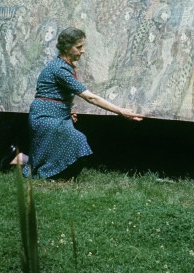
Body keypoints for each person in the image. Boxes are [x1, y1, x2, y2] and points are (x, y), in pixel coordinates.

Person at [19, 27, 144, 179]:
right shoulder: (59, 69)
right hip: (45, 117)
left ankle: (27, 163)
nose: (83, 51)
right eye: (79, 47)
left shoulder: (63, 66)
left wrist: (65, 111)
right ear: (66, 47)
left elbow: (54, 94)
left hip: (56, 115)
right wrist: (120, 111)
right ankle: (48, 175)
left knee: (62, 147)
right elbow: (90, 97)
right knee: (77, 140)